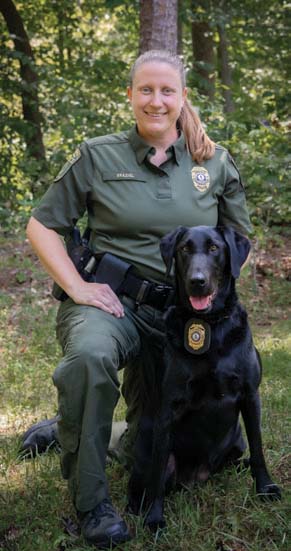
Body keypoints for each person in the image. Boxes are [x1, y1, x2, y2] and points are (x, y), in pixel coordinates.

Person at [25, 49, 251, 548]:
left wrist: (215, 305)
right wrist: (80, 287)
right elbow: (41, 226)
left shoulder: (212, 161)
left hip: (184, 313)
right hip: (115, 305)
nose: (156, 100)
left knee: (149, 437)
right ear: (129, 95)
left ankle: (66, 431)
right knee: (90, 358)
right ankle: (93, 505)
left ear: (182, 97)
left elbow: (237, 242)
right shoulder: (97, 155)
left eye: (167, 90)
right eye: (145, 90)